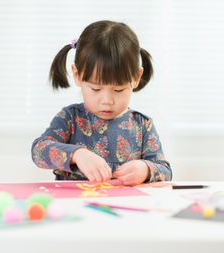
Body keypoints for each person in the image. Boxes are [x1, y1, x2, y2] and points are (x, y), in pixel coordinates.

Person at [31, 20, 172, 185]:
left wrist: (146, 169)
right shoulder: (70, 118)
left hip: (126, 206)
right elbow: (38, 151)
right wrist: (77, 154)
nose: (107, 101)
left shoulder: (142, 124)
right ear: (77, 75)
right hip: (75, 205)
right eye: (96, 89)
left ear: (136, 79)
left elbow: (165, 171)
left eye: (118, 90)